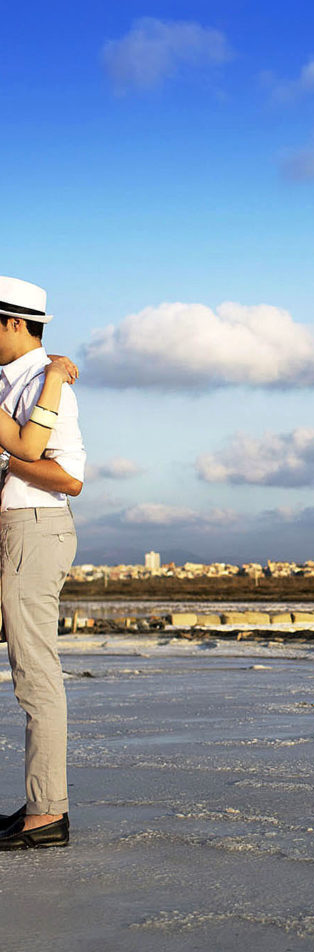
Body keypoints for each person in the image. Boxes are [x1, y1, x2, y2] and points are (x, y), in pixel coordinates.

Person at [0, 276, 85, 850]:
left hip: (33, 531)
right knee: (31, 674)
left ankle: (47, 812)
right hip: (11, 533)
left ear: (11, 322)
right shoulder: (21, 382)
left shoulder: (45, 383)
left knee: (35, 677)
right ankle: (42, 804)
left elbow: (67, 477)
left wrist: (11, 466)